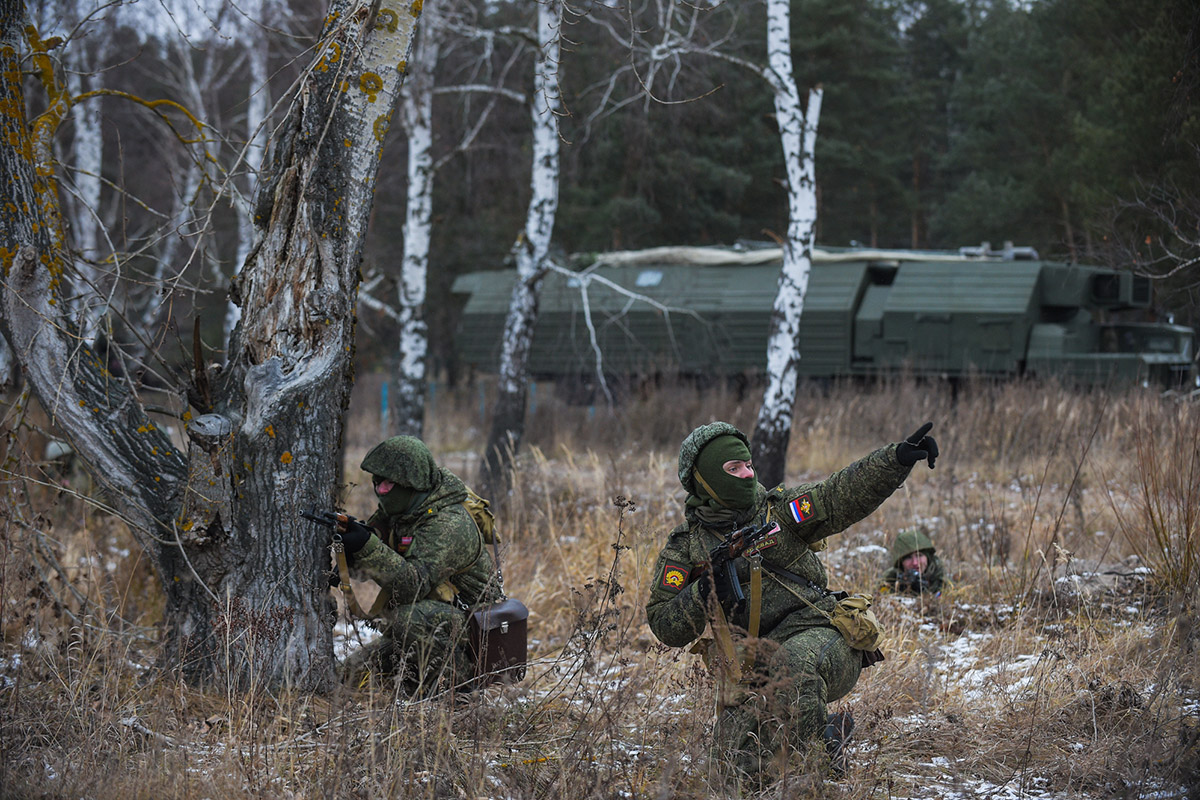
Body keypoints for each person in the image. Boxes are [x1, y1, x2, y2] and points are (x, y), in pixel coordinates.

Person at [645, 420, 939, 781]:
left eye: (748, 465)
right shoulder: (685, 548)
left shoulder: (778, 512)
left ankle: (817, 772)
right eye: (733, 468)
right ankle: (826, 730)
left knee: (795, 664)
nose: (746, 474)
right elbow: (663, 624)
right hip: (751, 665)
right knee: (734, 772)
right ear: (705, 479)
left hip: (820, 636)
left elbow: (838, 496)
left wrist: (894, 460)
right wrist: (702, 591)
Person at [331, 436, 502, 694]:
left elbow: (412, 584)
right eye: (376, 482)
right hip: (429, 625)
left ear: (411, 484)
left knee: (408, 619)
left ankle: (458, 689)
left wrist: (367, 546)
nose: (380, 490)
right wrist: (352, 552)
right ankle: (415, 681)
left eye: (388, 484)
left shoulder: (449, 524)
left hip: (473, 632)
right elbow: (372, 564)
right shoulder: (403, 512)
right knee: (345, 677)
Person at [878, 528, 949, 595]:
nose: (915, 563)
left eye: (919, 555)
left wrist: (924, 592)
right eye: (908, 558)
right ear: (901, 563)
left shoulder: (942, 580)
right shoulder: (890, 579)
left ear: (928, 557)